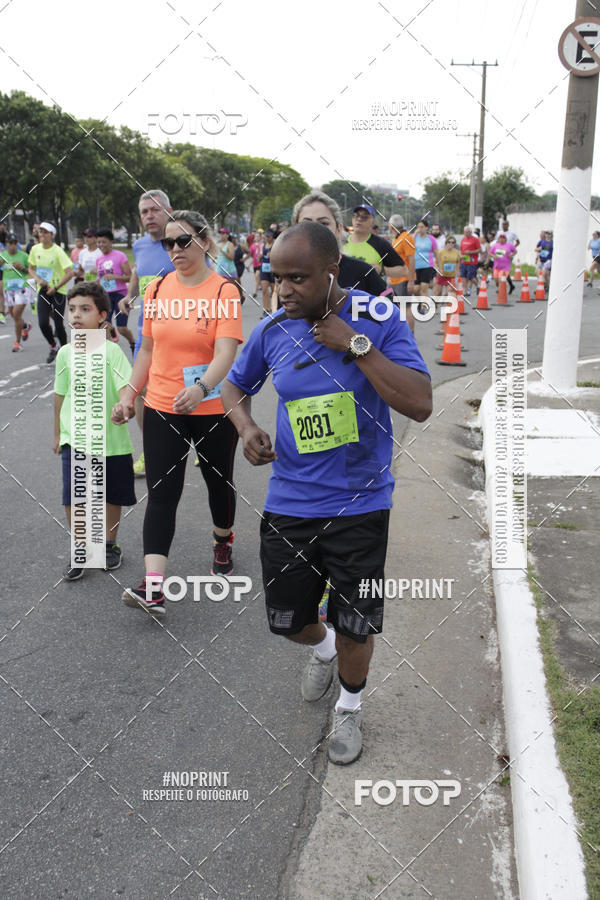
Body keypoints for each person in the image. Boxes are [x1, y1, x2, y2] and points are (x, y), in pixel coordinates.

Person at [221, 222, 432, 765]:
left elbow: (419, 402)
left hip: (361, 502)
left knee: (355, 619)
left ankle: (350, 705)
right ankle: (320, 650)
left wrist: (353, 343)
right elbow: (233, 386)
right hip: (290, 500)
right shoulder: (272, 329)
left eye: (298, 278)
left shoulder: (378, 319)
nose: (283, 289)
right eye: (276, 277)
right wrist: (246, 428)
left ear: (331, 272)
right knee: (286, 618)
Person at [111, 211, 244, 616]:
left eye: (184, 241)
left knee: (217, 481)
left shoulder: (224, 291)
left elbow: (225, 351)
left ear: (204, 241)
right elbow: (147, 351)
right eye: (169, 243)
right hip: (163, 404)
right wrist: (130, 395)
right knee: (162, 493)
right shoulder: (156, 291)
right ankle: (154, 587)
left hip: (211, 406)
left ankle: (223, 539)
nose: (175, 250)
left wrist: (202, 387)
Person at [53, 281, 136, 581]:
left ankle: (109, 545)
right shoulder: (65, 354)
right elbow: (59, 396)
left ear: (102, 315)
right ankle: (80, 547)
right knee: (74, 497)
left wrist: (125, 408)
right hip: (73, 438)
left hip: (111, 441)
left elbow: (127, 390)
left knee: (111, 496)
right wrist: (56, 434)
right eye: (72, 309)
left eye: (84, 309)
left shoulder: (112, 352)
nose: (76, 315)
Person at [118, 190, 175, 476]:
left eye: (154, 210)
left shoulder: (179, 243)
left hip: (180, 331)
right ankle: (150, 451)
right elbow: (138, 273)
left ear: (168, 210)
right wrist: (129, 296)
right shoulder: (140, 245)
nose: (149, 216)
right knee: (139, 389)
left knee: (193, 387)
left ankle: (201, 442)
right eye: (144, 212)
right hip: (146, 329)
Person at [291, 190, 386, 296]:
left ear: (339, 229)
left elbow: (393, 310)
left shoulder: (364, 272)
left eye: (324, 223)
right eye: (307, 223)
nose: (315, 230)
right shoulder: (289, 273)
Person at [28, 222, 73, 363]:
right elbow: (30, 268)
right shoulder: (35, 249)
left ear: (52, 235)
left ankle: (65, 351)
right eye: (40, 232)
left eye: (45, 232)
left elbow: (69, 273)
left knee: (58, 324)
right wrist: (37, 279)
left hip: (58, 291)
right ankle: (53, 346)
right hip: (43, 290)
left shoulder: (58, 251)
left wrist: (56, 287)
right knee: (42, 322)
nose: (42, 235)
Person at [95, 228, 135, 353]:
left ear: (111, 242)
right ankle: (112, 353)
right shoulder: (99, 260)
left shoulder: (120, 256)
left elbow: (130, 277)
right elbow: (100, 278)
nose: (101, 245)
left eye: (104, 242)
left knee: (122, 327)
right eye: (99, 242)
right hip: (106, 296)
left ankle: (133, 343)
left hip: (120, 295)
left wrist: (115, 277)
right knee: (104, 326)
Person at [343, 204, 407, 281]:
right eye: (356, 215)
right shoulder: (341, 242)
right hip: (345, 292)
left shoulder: (380, 244)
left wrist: (381, 270)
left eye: (364, 217)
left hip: (372, 292)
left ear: (373, 221)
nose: (359, 219)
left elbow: (404, 271)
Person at [1, 233, 34, 351]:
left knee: (16, 314)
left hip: (22, 289)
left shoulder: (24, 256)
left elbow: (31, 271)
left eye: (15, 243)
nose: (13, 246)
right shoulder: (3, 255)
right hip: (8, 289)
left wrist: (22, 268)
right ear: (6, 244)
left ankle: (17, 343)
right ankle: (25, 326)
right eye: (10, 243)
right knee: (14, 316)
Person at [413, 219, 439, 300]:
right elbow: (409, 246)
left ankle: (424, 307)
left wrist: (439, 266)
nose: (420, 229)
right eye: (418, 227)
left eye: (422, 227)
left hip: (427, 266)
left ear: (426, 228)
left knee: (424, 287)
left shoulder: (431, 239)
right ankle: (421, 303)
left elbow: (436, 253)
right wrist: (415, 235)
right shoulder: (414, 237)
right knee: (416, 289)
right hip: (415, 266)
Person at [459, 224, 481, 297]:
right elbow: (461, 249)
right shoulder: (463, 239)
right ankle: (467, 291)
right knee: (463, 276)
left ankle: (478, 285)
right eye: (465, 232)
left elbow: (479, 250)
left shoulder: (475, 239)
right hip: (464, 261)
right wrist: (461, 255)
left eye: (468, 232)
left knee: (470, 276)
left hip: (472, 261)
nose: (466, 233)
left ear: (471, 232)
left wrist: (470, 252)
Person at [260, 229, 276, 316]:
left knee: (274, 291)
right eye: (265, 236)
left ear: (272, 236)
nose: (266, 238)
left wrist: (273, 255)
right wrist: (260, 256)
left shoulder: (276, 244)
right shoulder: (263, 245)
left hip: (273, 270)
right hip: (264, 269)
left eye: (268, 236)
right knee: (264, 290)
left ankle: (274, 310)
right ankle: (266, 310)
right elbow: (260, 256)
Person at [247, 232, 262, 297]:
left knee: (257, 276)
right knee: (257, 278)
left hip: (261, 264)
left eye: (258, 236)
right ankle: (261, 286)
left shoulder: (262, 245)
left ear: (260, 237)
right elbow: (251, 255)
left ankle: (255, 292)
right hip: (255, 264)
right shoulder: (252, 245)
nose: (257, 237)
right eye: (256, 236)